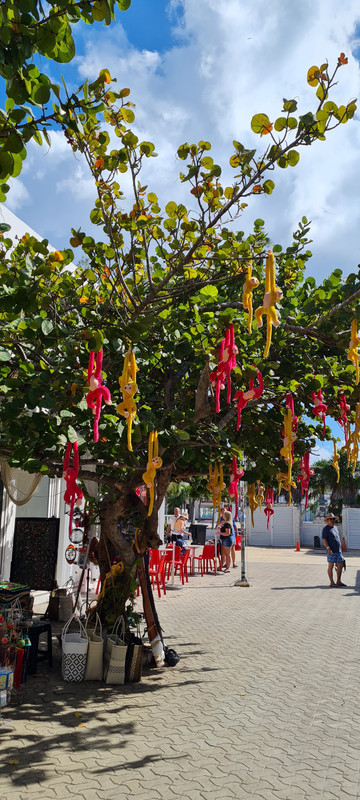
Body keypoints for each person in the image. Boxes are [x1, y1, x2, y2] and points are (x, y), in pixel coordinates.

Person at [322, 512, 346, 587]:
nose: (332, 520)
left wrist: (341, 548)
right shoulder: (325, 529)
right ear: (327, 520)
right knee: (330, 566)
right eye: (330, 519)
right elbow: (324, 539)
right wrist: (328, 548)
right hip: (331, 551)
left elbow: (337, 538)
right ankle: (332, 582)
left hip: (338, 551)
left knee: (340, 565)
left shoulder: (335, 528)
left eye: (333, 519)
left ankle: (338, 581)